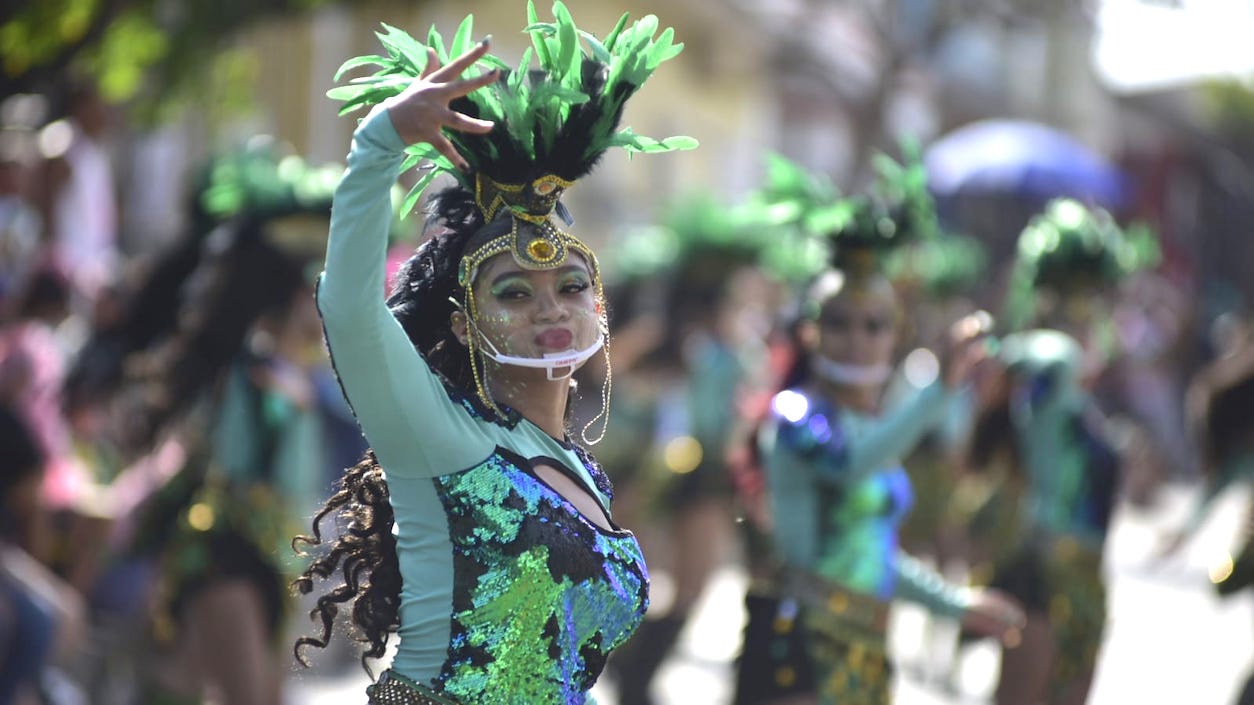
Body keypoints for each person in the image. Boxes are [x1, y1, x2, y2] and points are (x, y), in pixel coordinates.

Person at [292, 6, 695, 703]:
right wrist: (380, 138)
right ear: (465, 323)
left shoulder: (580, 470)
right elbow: (351, 310)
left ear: (597, 306)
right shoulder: (440, 436)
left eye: (570, 285)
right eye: (513, 292)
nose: (549, 307)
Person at [730, 154, 1022, 705]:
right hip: (800, 651)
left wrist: (958, 604)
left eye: (875, 324)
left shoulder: (869, 426)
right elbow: (851, 464)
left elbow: (874, 557)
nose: (858, 338)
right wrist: (938, 389)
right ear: (812, 333)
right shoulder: (794, 416)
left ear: (895, 334)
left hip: (865, 651)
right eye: (839, 322)